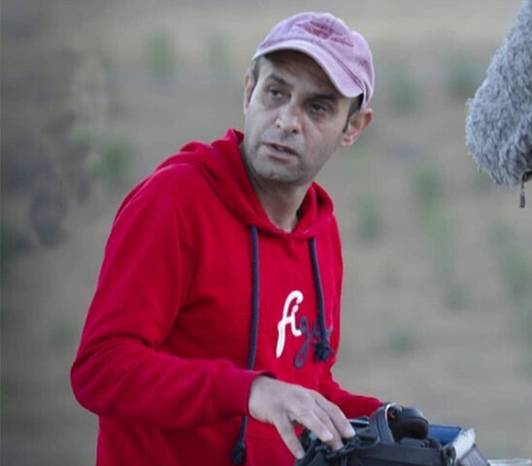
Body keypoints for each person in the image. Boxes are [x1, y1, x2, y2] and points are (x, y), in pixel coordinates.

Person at [71, 12, 383, 466]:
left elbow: (305, 387)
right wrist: (249, 391)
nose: (288, 121)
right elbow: (100, 368)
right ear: (248, 90)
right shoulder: (174, 203)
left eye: (317, 107)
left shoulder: (320, 232)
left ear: (353, 127)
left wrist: (383, 419)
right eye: (275, 92)